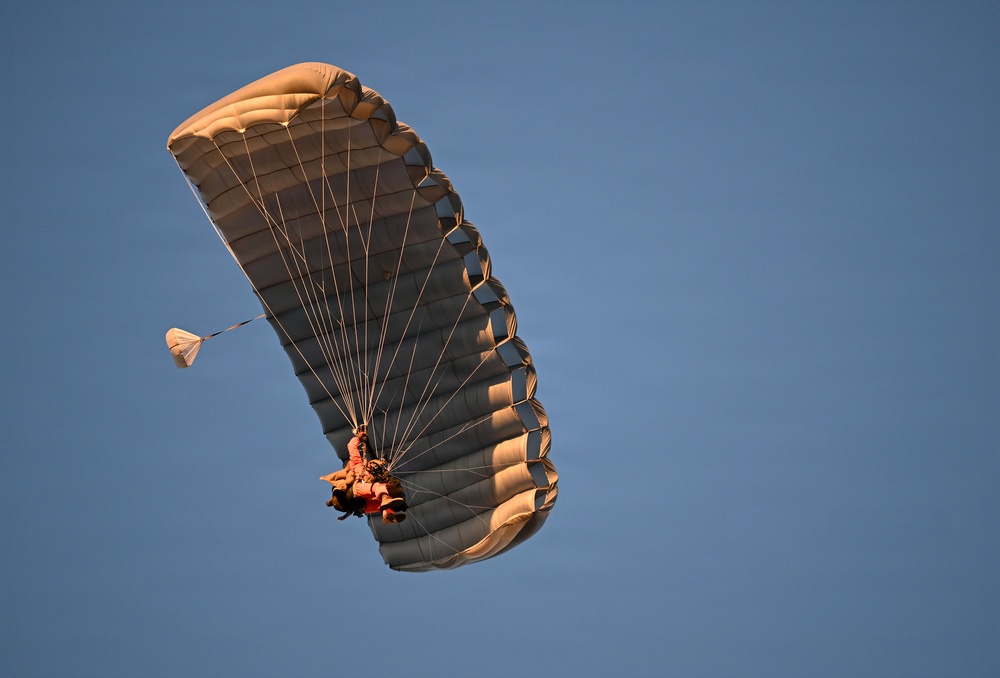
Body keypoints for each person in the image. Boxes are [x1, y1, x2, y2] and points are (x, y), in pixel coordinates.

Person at [322, 425, 407, 524]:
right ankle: (385, 499)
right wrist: (358, 438)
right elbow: (351, 446)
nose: (375, 469)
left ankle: (388, 515)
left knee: (384, 501)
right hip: (357, 491)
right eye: (374, 466)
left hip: (361, 506)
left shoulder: (373, 476)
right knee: (378, 488)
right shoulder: (357, 464)